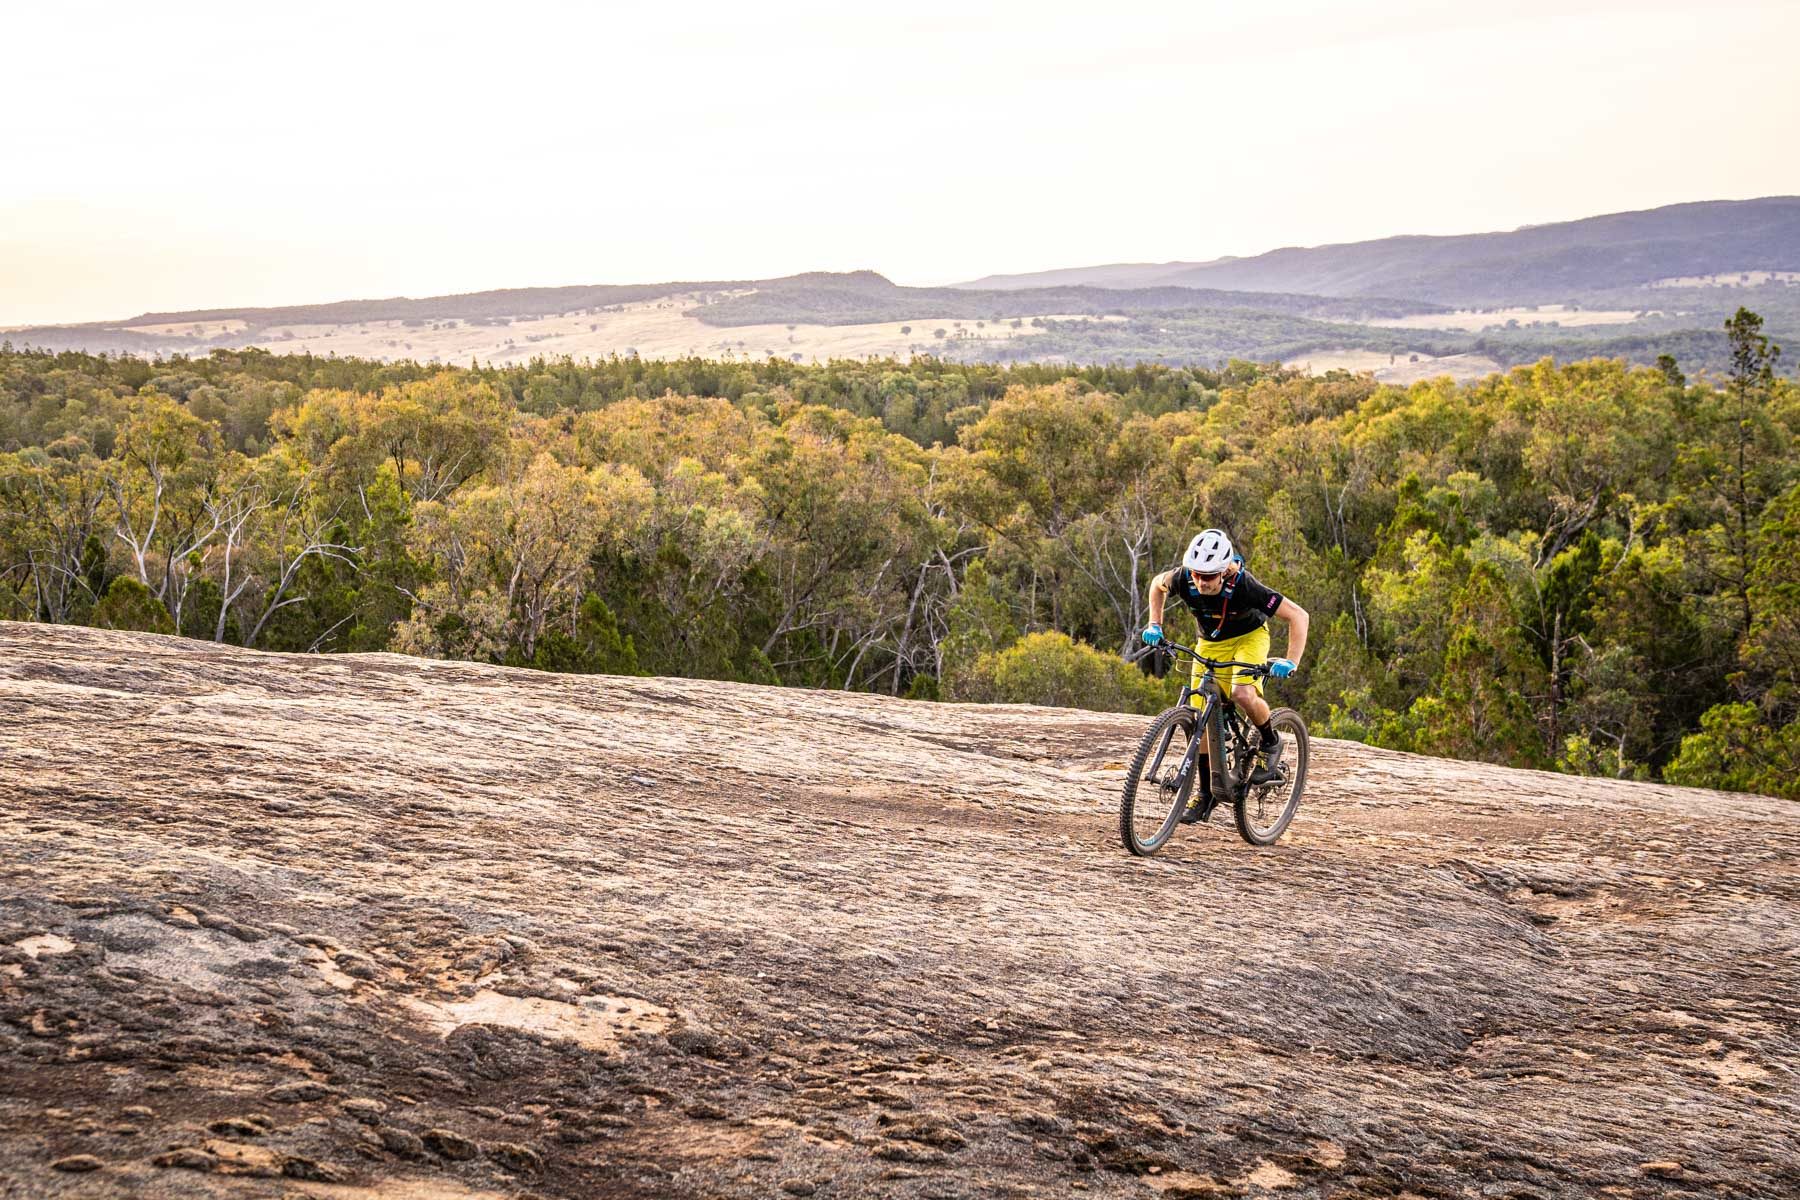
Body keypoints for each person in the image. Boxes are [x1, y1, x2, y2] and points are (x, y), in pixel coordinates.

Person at [1140, 528, 1309, 792]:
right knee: (1200, 717)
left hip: (1249, 638)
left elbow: (1299, 616)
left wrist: (1291, 662)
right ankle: (1207, 793)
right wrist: (1154, 625)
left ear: (1223, 572)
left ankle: (1270, 741)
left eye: (1208, 576)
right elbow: (1156, 585)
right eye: (1196, 575)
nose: (1201, 582)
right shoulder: (1182, 577)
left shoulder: (1244, 585)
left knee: (1241, 694)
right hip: (1209, 643)